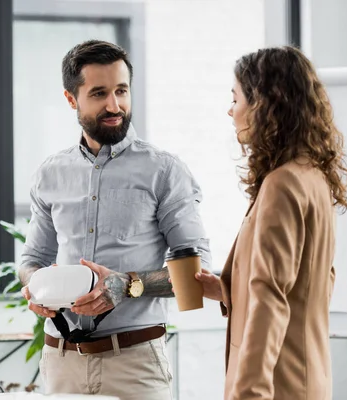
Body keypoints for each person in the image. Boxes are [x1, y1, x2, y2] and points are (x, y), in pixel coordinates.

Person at [18, 40, 211, 400]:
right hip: (61, 362)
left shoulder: (164, 171)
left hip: (135, 365)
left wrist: (126, 285)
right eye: (99, 93)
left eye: (121, 91)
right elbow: (32, 261)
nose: (114, 105)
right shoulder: (49, 174)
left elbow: (197, 277)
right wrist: (35, 289)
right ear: (71, 99)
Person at [195, 46, 347, 400]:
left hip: (277, 384)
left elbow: (271, 297)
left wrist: (249, 392)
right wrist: (226, 291)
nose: (230, 110)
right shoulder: (312, 177)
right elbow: (310, 285)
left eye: (235, 98)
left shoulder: (282, 184)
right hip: (306, 377)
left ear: (263, 104)